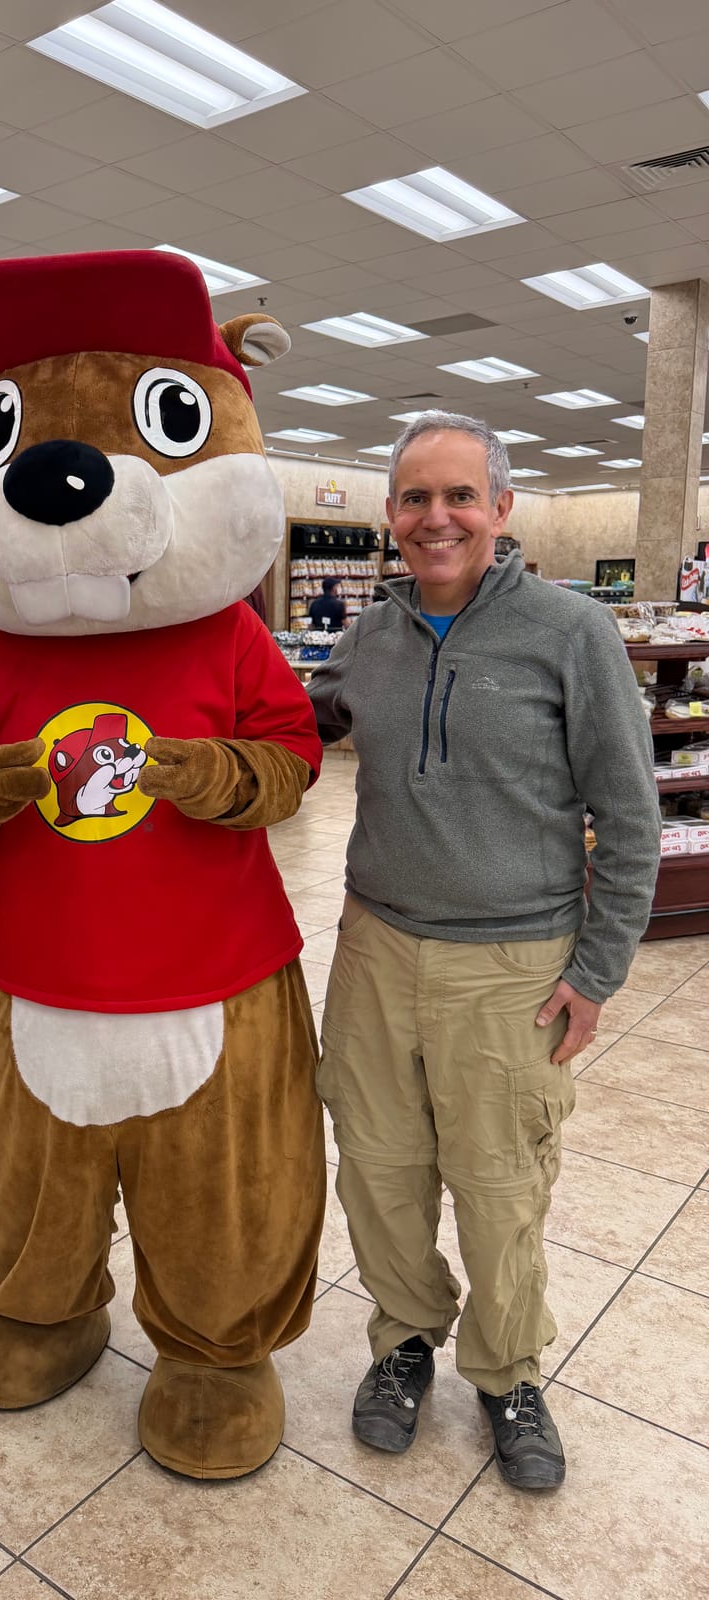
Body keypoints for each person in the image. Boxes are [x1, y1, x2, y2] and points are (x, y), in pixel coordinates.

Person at [307, 410, 659, 1491]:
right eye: (416, 498)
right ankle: (404, 1339)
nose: (437, 517)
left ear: (501, 510)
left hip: (513, 965)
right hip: (374, 952)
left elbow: (630, 815)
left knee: (503, 1187)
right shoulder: (372, 631)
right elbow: (307, 720)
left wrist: (596, 971)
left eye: (461, 495)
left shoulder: (571, 632)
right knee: (378, 1170)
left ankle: (509, 1373)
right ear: (391, 517)